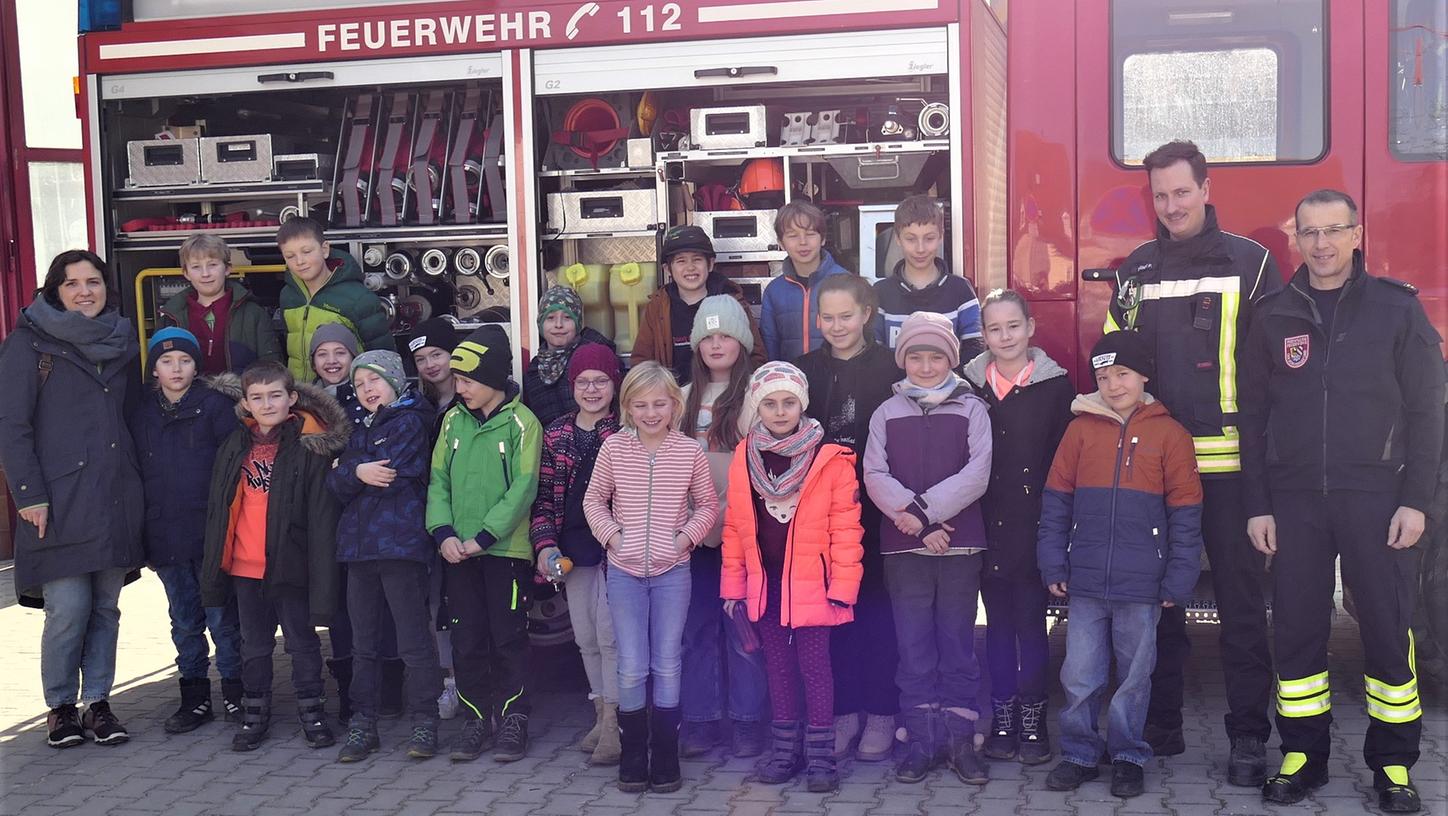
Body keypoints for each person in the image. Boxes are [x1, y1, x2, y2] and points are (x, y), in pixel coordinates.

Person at [1240, 190, 1444, 813]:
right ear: (1294, 238)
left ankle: (1393, 767)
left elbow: (1427, 411)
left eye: (1334, 231)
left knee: (1387, 629)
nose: (1322, 244)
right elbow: (1250, 416)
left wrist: (1418, 501)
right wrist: (1258, 503)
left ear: (1357, 234)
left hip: (1379, 498)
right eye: (1310, 232)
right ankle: (1303, 755)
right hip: (1295, 497)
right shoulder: (1272, 313)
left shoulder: (1396, 309)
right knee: (1298, 629)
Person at [1104, 140, 1279, 781]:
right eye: (1161, 195)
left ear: (1206, 190)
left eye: (1182, 191)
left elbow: (1272, 373)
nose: (1172, 205)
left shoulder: (1253, 264)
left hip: (1234, 468)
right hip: (1158, 467)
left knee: (1240, 606)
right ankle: (1163, 725)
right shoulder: (1137, 271)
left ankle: (1248, 738)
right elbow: (1116, 361)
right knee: (1160, 604)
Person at [1037, 330, 1204, 799]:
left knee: (1134, 677)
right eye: (1103, 376)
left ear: (1143, 375)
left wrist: (1179, 578)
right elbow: (1055, 504)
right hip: (1086, 582)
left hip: (1143, 586)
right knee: (1080, 675)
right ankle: (1079, 753)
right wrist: (1053, 563)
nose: (1113, 385)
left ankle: (1128, 754)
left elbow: (1186, 517)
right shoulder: (1079, 430)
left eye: (1122, 374)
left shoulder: (1170, 434)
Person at [0, 250, 144, 748]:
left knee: (106, 607)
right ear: (54, 290)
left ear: (107, 286)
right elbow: (11, 427)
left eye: (94, 281)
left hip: (113, 495)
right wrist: (28, 496)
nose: (85, 290)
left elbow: (131, 418)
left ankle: (99, 704)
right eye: (72, 283)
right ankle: (60, 707)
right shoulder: (27, 344)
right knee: (67, 608)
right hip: (56, 500)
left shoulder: (122, 340)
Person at [721, 361, 865, 792]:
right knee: (778, 670)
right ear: (756, 407)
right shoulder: (744, 456)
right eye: (769, 403)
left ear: (802, 405)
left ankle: (821, 757)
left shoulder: (831, 459)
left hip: (814, 587)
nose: (780, 411)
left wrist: (842, 587)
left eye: (788, 402)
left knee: (816, 670)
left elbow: (846, 528)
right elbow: (735, 525)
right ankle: (786, 750)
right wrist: (733, 586)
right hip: (766, 585)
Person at [862, 311, 992, 786]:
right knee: (913, 645)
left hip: (959, 546)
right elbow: (874, 474)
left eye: (935, 355)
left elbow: (977, 474)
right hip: (904, 549)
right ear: (903, 360)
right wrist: (917, 525)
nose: (925, 364)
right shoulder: (886, 413)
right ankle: (921, 739)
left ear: (951, 359)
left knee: (957, 644)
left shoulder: (971, 408)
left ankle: (960, 740)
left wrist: (924, 515)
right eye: (915, 356)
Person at [200, 360, 350, 752]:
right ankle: (255, 712)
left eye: (275, 396)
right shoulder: (235, 444)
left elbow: (320, 518)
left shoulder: (306, 446)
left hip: (291, 565)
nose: (267, 404)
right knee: (253, 644)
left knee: (301, 642)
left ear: (292, 398)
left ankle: (312, 711)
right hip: (244, 566)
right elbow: (219, 509)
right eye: (257, 398)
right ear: (246, 403)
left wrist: (321, 573)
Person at [583, 361, 719, 793]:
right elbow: (593, 501)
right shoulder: (614, 449)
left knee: (667, 662)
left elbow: (708, 506)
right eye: (640, 404)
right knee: (631, 666)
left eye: (660, 403)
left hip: (672, 573)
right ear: (627, 407)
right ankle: (632, 755)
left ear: (675, 405)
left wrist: (683, 540)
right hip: (624, 574)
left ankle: (664, 756)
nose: (651, 412)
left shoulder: (688, 451)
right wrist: (614, 538)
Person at [961, 290, 1074, 765]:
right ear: (982, 335)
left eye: (1013, 326)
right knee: (998, 628)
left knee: (1032, 626)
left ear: (1030, 328)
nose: (1004, 337)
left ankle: (1033, 720)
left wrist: (1062, 531)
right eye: (994, 329)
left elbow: (1064, 464)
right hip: (984, 526)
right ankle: (1002, 717)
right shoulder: (968, 386)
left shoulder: (1056, 387)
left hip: (1034, 528)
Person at [794, 274, 902, 762]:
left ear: (867, 314)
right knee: (832, 618)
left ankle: (882, 714)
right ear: (817, 320)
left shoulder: (890, 369)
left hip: (878, 514)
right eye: (827, 317)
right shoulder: (802, 372)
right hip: (820, 519)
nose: (836, 326)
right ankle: (842, 714)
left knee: (878, 616)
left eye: (846, 315)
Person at [427, 327, 542, 764]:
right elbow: (437, 481)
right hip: (458, 553)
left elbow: (524, 487)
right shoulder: (452, 422)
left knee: (508, 637)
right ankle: (476, 719)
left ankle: (513, 718)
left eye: (468, 380)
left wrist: (484, 538)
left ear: (493, 378)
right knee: (467, 638)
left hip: (503, 553)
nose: (460, 388)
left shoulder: (521, 423)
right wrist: (444, 533)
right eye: (458, 380)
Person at [326, 351, 444, 762]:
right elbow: (336, 482)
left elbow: (390, 473)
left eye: (373, 381)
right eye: (359, 386)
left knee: (413, 640)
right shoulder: (360, 426)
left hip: (400, 546)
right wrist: (354, 472)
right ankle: (363, 724)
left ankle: (425, 721)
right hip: (359, 550)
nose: (366, 390)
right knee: (364, 644)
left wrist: (349, 469)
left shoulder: (411, 420)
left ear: (394, 381)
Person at [129, 327, 244, 733]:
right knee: (184, 621)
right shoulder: (142, 413)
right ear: (154, 369)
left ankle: (236, 693)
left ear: (197, 366)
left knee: (223, 619)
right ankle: (194, 698)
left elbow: (233, 471)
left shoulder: (215, 408)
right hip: (165, 535)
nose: (176, 368)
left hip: (210, 534)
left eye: (185, 360)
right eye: (166, 361)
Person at [678, 296, 769, 759]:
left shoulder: (757, 395)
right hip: (692, 537)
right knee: (696, 630)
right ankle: (700, 720)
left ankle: (750, 721)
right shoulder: (680, 397)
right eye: (707, 337)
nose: (716, 345)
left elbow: (760, 466)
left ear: (742, 342)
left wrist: (722, 512)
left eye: (725, 336)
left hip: (741, 533)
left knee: (743, 629)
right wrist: (696, 518)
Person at [530, 342, 625, 766]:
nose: (591, 389)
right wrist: (545, 543)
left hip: (613, 550)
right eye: (583, 382)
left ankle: (616, 723)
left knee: (611, 636)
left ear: (614, 384)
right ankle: (600, 712)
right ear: (572, 386)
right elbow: (544, 498)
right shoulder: (556, 433)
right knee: (585, 637)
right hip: (572, 552)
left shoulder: (625, 430)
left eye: (600, 381)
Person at [406, 317, 462, 719]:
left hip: (465, 516)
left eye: (437, 354)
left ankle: (469, 679)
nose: (430, 365)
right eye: (421, 358)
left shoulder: (472, 397)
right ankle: (447, 682)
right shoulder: (415, 404)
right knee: (436, 604)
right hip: (426, 516)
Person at [630, 224, 766, 383]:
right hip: (674, 400)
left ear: (710, 264)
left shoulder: (733, 303)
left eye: (697, 259)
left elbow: (757, 358)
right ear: (667, 269)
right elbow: (642, 362)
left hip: (725, 399)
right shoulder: (658, 307)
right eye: (681, 261)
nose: (690, 267)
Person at [277, 216, 393, 382]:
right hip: (299, 395)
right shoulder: (288, 296)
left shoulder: (358, 298)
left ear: (324, 249)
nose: (300, 261)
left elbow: (384, 358)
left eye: (307, 252)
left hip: (349, 397)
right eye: (290, 256)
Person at [873, 195, 983, 361]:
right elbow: (875, 353)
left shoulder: (961, 289)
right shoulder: (880, 293)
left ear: (940, 237)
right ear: (897, 238)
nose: (920, 248)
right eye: (911, 239)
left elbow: (975, 349)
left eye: (929, 238)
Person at [158, 233, 282, 374]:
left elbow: (273, 370)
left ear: (228, 268)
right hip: (191, 396)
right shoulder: (170, 318)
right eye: (196, 267)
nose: (205, 274)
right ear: (186, 273)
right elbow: (155, 374)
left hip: (239, 395)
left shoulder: (254, 314)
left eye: (212, 265)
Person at [759, 200, 852, 361]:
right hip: (791, 382)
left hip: (839, 380)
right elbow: (770, 344)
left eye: (810, 234)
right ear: (781, 243)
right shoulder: (774, 291)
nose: (803, 242)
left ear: (822, 239)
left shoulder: (847, 283)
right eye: (793, 236)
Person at [522, 286, 617, 426]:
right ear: (540, 323)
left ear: (578, 323)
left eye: (567, 318)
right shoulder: (534, 370)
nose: (558, 325)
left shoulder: (597, 357)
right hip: (551, 445)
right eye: (550, 318)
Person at [310, 323, 369, 429]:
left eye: (340, 353)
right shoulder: (305, 402)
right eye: (322, 354)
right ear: (313, 363)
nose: (332, 361)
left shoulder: (368, 396)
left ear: (353, 358)